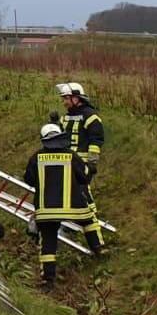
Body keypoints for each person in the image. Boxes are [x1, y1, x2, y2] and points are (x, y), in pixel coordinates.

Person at [22, 123, 99, 290]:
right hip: (74, 207)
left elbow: (28, 179)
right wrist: (91, 169)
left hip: (46, 210)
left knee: (48, 242)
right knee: (88, 221)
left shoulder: (36, 157)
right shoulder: (71, 156)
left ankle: (48, 280)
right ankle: (99, 249)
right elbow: (84, 176)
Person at [57, 81, 107, 246]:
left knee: (83, 195)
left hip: (82, 165)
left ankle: (94, 233)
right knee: (67, 195)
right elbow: (59, 138)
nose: (64, 102)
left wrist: (92, 162)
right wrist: (53, 124)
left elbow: (96, 139)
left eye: (66, 98)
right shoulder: (65, 117)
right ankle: (70, 226)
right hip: (66, 163)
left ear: (77, 98)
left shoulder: (90, 116)